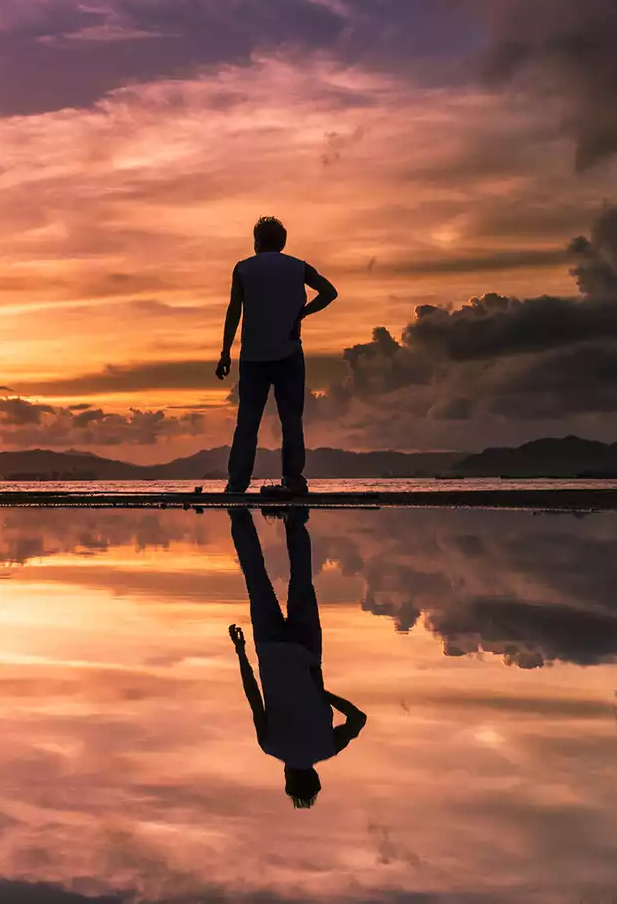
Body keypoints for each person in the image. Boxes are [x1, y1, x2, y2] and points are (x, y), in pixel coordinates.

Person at [228, 507, 366, 807]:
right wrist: (240, 651)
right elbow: (253, 695)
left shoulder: (328, 748)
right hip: (270, 648)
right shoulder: (270, 746)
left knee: (301, 580)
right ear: (287, 777)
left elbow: (359, 718)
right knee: (256, 578)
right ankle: (237, 513)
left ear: (315, 776)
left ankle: (294, 518)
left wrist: (321, 694)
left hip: (306, 651)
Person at [216, 215, 337, 495]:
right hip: (289, 354)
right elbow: (329, 292)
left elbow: (234, 311)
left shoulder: (243, 269)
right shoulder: (299, 267)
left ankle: (237, 483)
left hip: (253, 357)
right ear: (282, 242)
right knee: (291, 421)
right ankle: (293, 479)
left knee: (247, 423)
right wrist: (302, 313)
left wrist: (225, 352)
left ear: (257, 241)